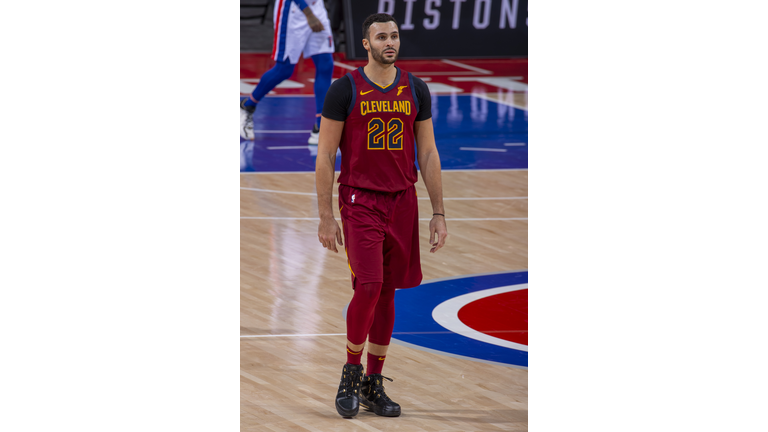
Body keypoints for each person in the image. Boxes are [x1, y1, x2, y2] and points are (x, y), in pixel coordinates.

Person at [314, 13, 448, 418]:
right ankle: (350, 373)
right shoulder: (345, 88)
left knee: (388, 291)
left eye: (394, 36)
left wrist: (438, 211)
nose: (390, 42)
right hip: (360, 202)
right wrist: (325, 216)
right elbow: (325, 156)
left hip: (402, 200)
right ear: (366, 44)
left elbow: (427, 152)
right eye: (381, 37)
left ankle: (373, 382)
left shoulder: (416, 88)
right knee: (369, 285)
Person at [240, 0, 334, 144]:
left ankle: (321, 126)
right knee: (284, 69)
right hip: (293, 10)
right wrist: (309, 15)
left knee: (325, 64)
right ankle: (248, 105)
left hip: (316, 7)